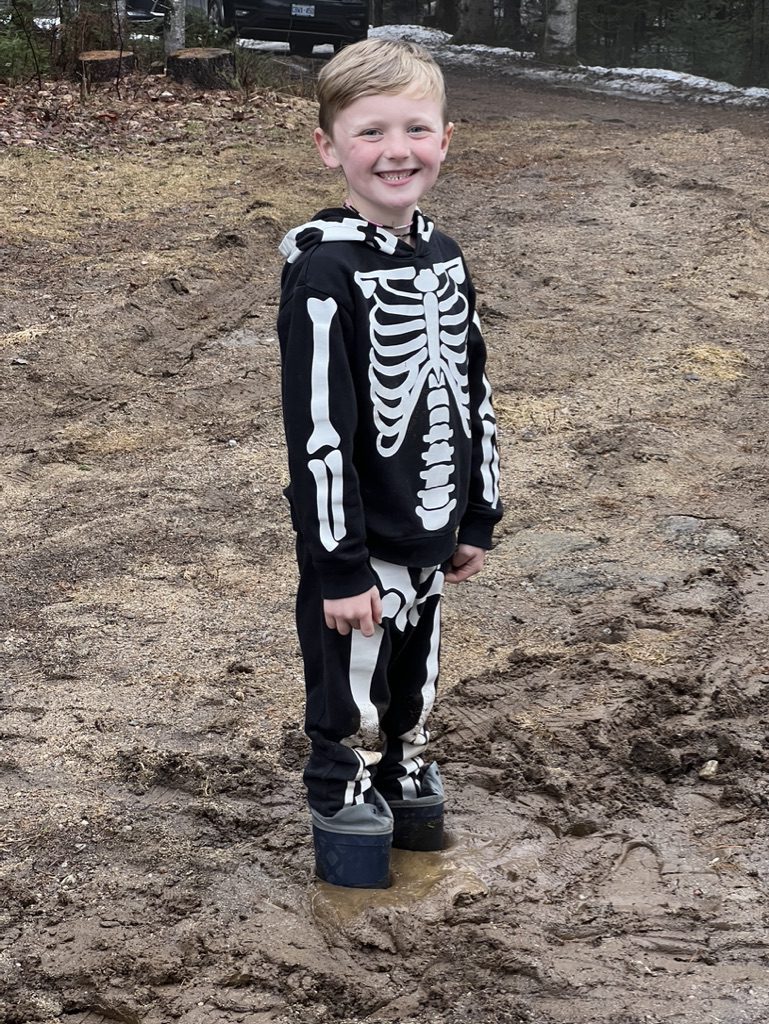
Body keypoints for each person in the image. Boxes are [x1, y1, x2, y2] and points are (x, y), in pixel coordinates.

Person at [277, 37, 502, 889]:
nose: (395, 151)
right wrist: (336, 566)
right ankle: (338, 785)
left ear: (445, 139)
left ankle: (406, 764)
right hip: (357, 540)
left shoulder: (444, 257)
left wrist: (476, 513)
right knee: (350, 674)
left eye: (415, 129)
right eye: (370, 132)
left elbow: (471, 393)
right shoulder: (325, 268)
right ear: (330, 147)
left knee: (417, 663)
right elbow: (318, 427)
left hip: (434, 521)